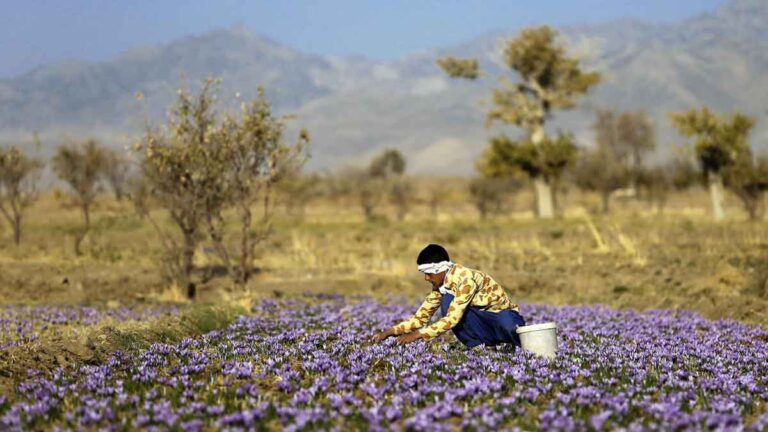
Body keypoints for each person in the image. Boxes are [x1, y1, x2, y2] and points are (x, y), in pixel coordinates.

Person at [372, 244, 525, 349]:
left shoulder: (465, 279)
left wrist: (418, 335)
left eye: (429, 274)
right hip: (482, 321)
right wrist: (388, 332)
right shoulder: (441, 286)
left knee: (449, 303)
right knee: (447, 299)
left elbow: (452, 319)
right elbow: (420, 318)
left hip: (500, 316)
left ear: (440, 269)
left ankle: (520, 347)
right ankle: (482, 348)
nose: (426, 278)